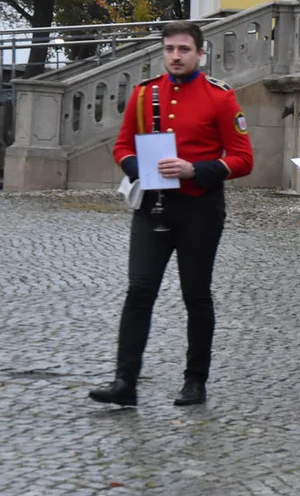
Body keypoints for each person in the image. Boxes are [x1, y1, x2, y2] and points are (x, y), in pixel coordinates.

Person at [89, 21, 254, 407]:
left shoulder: (220, 98)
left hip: (200, 206)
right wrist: (137, 168)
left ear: (200, 53)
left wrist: (195, 169)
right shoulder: (145, 95)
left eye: (183, 49)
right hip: (152, 205)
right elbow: (121, 145)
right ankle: (124, 381)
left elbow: (243, 159)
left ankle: (195, 380)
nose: (176, 56)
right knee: (139, 289)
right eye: (169, 49)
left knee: (195, 294)